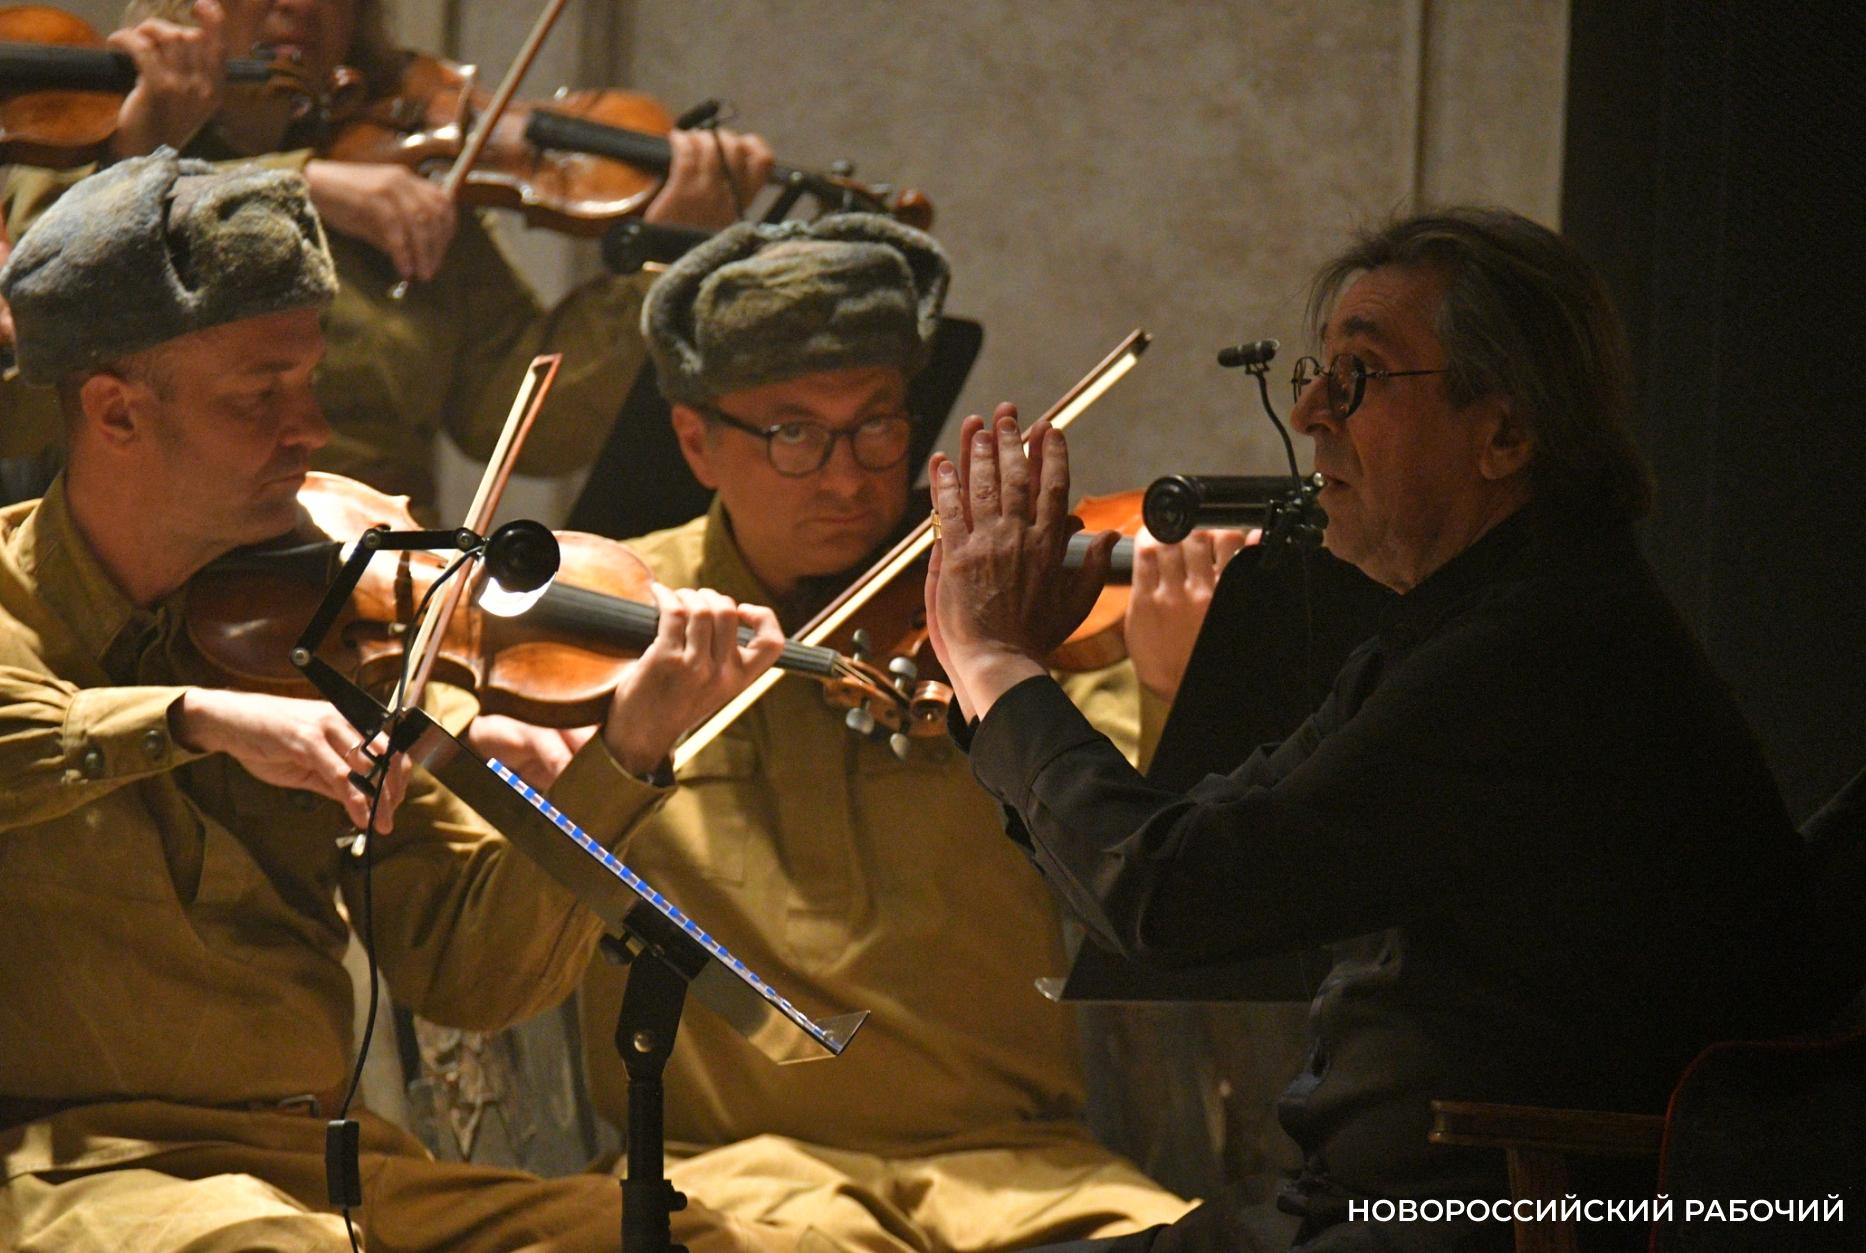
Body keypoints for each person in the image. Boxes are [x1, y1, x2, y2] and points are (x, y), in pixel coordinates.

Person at [923, 207, 1831, 1252]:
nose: (1309, 411)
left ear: (1505, 434)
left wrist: (999, 668)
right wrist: (1002, 683)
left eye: (1358, 376)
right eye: (1318, 372)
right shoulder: (1473, 623)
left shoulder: (1537, 658)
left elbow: (1172, 894)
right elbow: (1184, 853)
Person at [0, 151, 797, 1251]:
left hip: (324, 1164)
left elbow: (469, 968)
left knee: (695, 1241)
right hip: (82, 1170)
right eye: (259, 395)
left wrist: (630, 744)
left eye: (309, 379)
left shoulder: (325, 627)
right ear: (116, 412)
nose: (311, 428)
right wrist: (191, 717)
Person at [529, 214, 1197, 1250]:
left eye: (878, 425)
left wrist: (1164, 677)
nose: (848, 478)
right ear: (696, 440)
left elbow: (1148, 875)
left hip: (1025, 1177)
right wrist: (628, 741)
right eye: (794, 433)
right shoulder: (606, 620)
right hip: (738, 1188)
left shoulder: (1000, 615)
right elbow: (488, 909)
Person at [1, 0, 774, 515]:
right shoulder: (95, 132)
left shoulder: (404, 176)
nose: (302, 4)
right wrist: (295, 182)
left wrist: (663, 259)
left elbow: (520, 422)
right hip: (157, 571)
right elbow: (36, 341)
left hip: (374, 576)